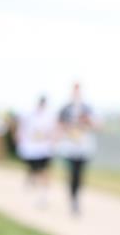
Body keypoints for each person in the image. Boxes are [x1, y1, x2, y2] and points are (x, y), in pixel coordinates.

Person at [57, 83, 97, 216]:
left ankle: (77, 196)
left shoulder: (87, 108)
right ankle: (72, 198)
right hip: (69, 146)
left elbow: (97, 125)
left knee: (80, 174)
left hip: (83, 147)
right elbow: (59, 125)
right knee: (72, 173)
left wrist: (87, 120)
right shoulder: (65, 108)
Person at [16, 96, 56, 208]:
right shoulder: (30, 115)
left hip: (44, 149)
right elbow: (23, 129)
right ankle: (34, 180)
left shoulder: (49, 117)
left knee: (44, 171)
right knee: (36, 170)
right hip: (32, 149)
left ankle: (43, 195)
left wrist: (52, 142)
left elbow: (53, 131)